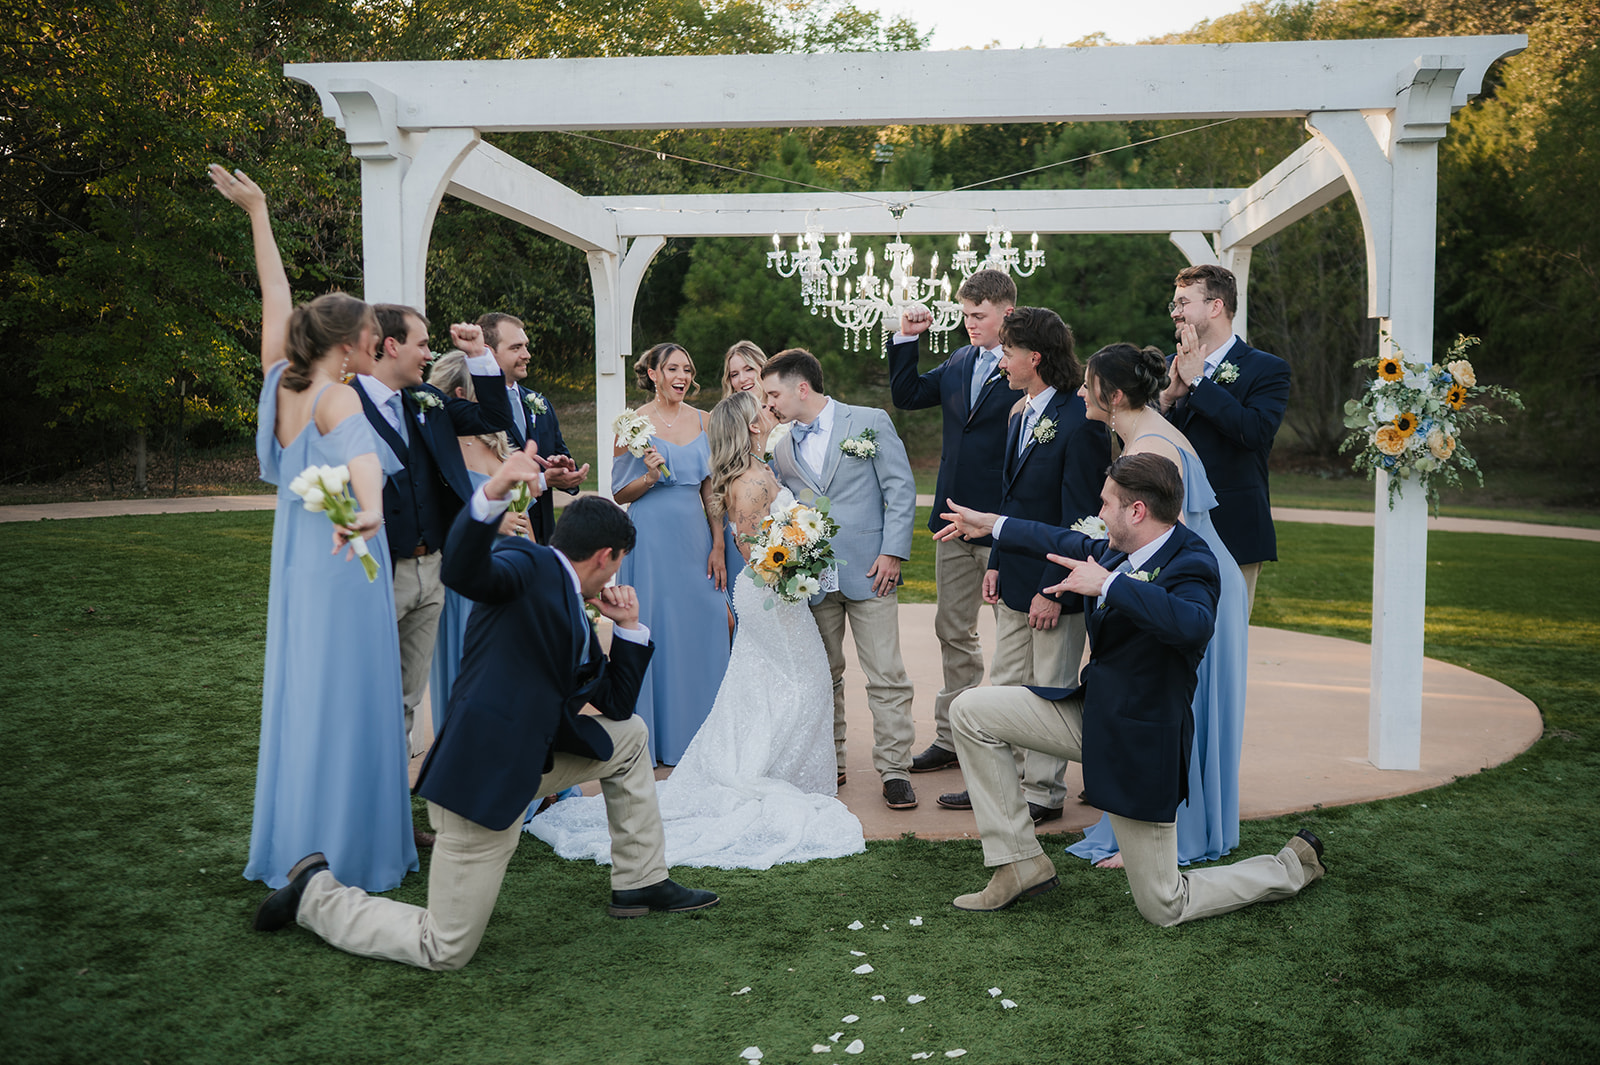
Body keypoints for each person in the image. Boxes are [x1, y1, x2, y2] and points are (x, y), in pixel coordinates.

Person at [251, 482, 721, 970]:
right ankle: (315, 895)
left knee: (629, 738)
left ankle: (640, 881)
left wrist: (627, 627)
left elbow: (618, 706)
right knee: (445, 947)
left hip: (529, 760)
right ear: (605, 556)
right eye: (621, 560)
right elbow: (462, 568)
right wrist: (492, 493)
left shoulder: (576, 604)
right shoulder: (528, 563)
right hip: (478, 782)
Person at [935, 454, 1324, 924]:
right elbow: (1059, 539)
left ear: (1136, 511)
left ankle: (1289, 868)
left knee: (1164, 904)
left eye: (1106, 504)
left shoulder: (1194, 561)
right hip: (1089, 715)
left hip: (1142, 744)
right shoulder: (1115, 550)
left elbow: (1193, 625)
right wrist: (992, 524)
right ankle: (1020, 863)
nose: (1099, 513)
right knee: (971, 711)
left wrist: (1111, 586)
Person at [528, 391, 865, 869]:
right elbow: (754, 554)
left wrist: (804, 541)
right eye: (762, 411)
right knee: (794, 687)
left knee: (787, 685)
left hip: (781, 598)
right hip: (770, 596)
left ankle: (790, 774)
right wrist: (801, 554)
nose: (769, 414)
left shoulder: (761, 468)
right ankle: (763, 774)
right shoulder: (748, 483)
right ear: (750, 425)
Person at [210, 164, 417, 892]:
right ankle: (351, 853)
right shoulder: (338, 401)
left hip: (300, 562)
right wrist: (370, 512)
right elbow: (364, 472)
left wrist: (259, 212)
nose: (376, 340)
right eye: (369, 333)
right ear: (346, 344)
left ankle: (295, 842)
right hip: (347, 560)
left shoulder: (280, 379)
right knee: (352, 697)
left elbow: (276, 294)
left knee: (306, 694)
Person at [1065, 343, 1251, 868]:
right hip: (1194, 584)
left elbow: (1171, 547)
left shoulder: (1151, 445)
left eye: (1088, 383)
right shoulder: (1150, 429)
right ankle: (1147, 822)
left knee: (1171, 708)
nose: (1081, 390)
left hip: (1189, 592)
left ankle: (1168, 835)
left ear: (1113, 395)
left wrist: (1111, 585)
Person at [931, 307, 1109, 824]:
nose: (1001, 361)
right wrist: (998, 564)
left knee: (1049, 690)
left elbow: (1082, 521)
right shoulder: (1021, 412)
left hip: (1056, 586)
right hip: (1012, 577)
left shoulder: (1081, 424)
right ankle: (999, 782)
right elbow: (1010, 504)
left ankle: (1044, 795)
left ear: (1034, 357)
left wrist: (1053, 589)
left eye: (1007, 353)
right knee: (1007, 685)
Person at [354, 304, 515, 782]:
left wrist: (481, 356)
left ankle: (396, 819)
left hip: (433, 571)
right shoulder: (343, 404)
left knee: (407, 697)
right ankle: (363, 808)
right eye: (421, 344)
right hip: (379, 572)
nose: (428, 353)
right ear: (390, 346)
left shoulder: (429, 401)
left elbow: (493, 414)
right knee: (367, 693)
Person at [763, 349, 919, 810]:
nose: (769, 402)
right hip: (813, 577)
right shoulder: (781, 443)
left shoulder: (868, 420)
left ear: (801, 388)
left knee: (886, 674)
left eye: (774, 393)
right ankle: (830, 763)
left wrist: (893, 552)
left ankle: (894, 770)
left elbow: (900, 488)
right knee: (823, 675)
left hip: (873, 570)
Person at [888, 269, 1018, 775]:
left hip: (1005, 526)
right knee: (952, 629)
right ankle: (953, 735)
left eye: (978, 316)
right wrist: (905, 338)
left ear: (1007, 313)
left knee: (1013, 638)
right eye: (965, 314)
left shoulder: (1032, 367)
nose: (969, 324)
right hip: (952, 521)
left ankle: (1005, 740)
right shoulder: (961, 359)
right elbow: (907, 395)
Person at [611, 342, 733, 764]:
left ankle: (706, 742)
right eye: (673, 368)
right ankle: (655, 740)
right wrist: (648, 475)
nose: (682, 375)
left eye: (687, 368)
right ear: (654, 373)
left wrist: (717, 543)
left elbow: (711, 488)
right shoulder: (633, 423)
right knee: (656, 630)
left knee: (709, 623)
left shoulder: (705, 419)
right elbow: (618, 492)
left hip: (694, 537)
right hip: (649, 538)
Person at [1157, 264, 1291, 616]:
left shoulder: (1267, 369)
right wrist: (1168, 399)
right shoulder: (1170, 366)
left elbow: (1255, 432)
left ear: (1215, 307)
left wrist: (1200, 384)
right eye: (1174, 304)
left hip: (1233, 528)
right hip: (1170, 526)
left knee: (1227, 639)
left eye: (1183, 302)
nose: (1175, 312)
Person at [423, 350, 528, 730]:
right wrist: (491, 522)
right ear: (461, 394)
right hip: (469, 571)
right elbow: (434, 509)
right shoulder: (438, 444)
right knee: (473, 667)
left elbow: (519, 502)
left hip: (510, 567)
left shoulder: (493, 439)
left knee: (513, 667)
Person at [462, 313, 590, 544]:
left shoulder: (539, 404)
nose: (527, 355)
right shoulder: (470, 407)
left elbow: (560, 454)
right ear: (489, 352)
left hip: (543, 535)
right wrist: (543, 480)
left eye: (526, 346)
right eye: (516, 348)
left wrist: (565, 471)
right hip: (497, 538)